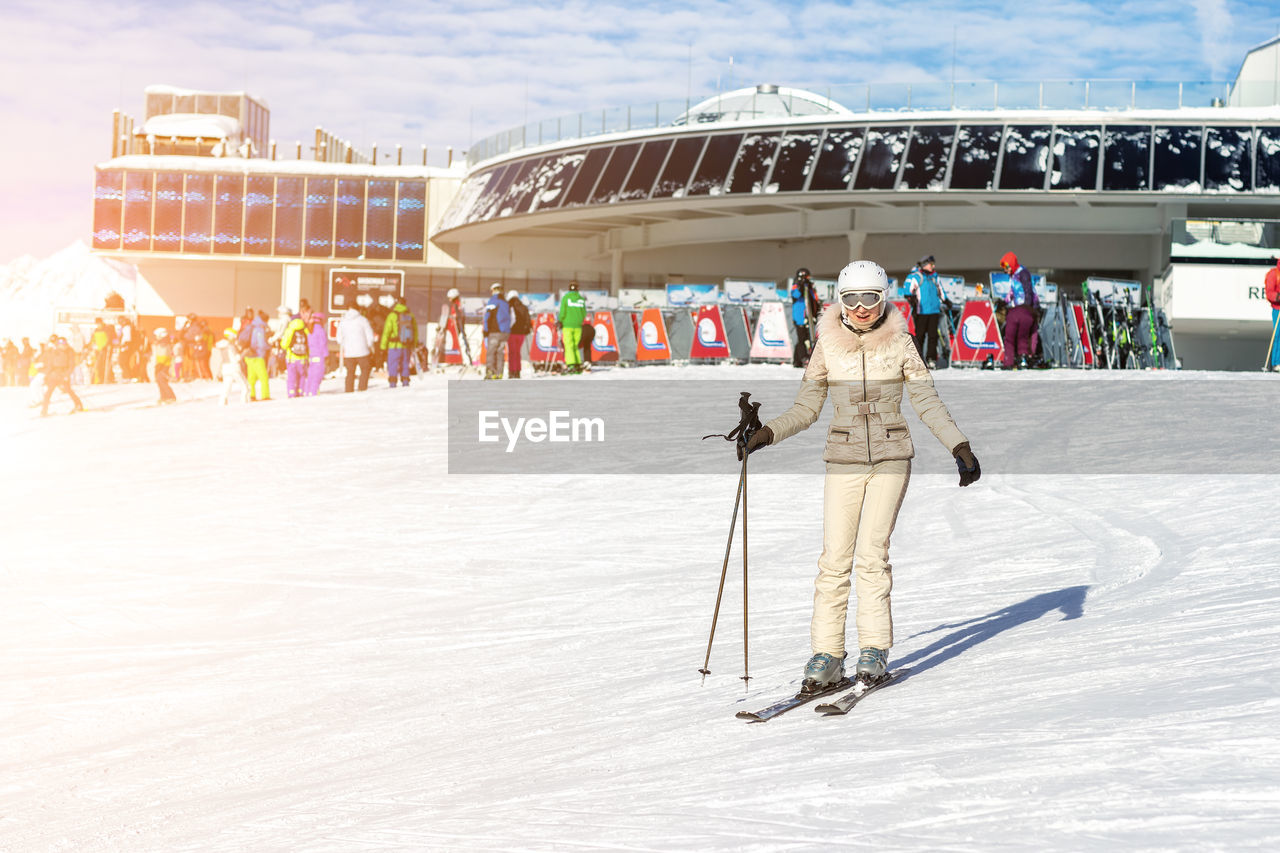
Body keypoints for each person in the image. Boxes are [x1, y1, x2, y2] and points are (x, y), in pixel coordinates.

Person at [744, 260, 981, 692]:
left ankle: (874, 649)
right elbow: (807, 407)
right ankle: (827, 655)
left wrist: (958, 445)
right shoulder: (826, 345)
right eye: (851, 299)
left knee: (872, 556)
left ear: (883, 297)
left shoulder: (902, 342)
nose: (861, 308)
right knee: (834, 559)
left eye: (869, 298)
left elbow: (927, 400)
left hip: (891, 456)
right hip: (843, 457)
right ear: (840, 300)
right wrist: (767, 433)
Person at [999, 251, 1038, 369]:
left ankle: (1020, 359)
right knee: (1015, 337)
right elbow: (1012, 293)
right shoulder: (1013, 276)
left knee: (1021, 337)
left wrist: (1027, 307)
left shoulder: (1023, 273)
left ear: (1012, 263)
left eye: (1006, 266)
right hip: (1018, 309)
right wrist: (1003, 302)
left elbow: (1028, 291)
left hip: (1025, 309)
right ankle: (1012, 361)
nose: (1005, 270)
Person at [906, 254, 944, 368]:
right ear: (925, 264)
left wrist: (946, 301)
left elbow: (941, 290)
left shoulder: (935, 277)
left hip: (934, 310)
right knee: (920, 336)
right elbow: (908, 289)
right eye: (931, 264)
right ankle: (918, 358)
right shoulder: (917, 276)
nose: (933, 266)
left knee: (933, 336)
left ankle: (931, 358)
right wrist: (911, 298)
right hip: (921, 311)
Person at [337, 306, 376, 391]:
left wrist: (345, 345)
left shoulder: (343, 321)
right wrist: (369, 345)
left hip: (349, 352)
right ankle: (362, 388)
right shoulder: (362, 320)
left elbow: (339, 338)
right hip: (362, 351)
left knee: (350, 372)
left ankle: (349, 390)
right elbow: (370, 335)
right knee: (365, 369)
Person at [381, 297, 417, 387]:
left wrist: (383, 346)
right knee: (405, 363)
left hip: (394, 345)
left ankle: (393, 383)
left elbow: (387, 331)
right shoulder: (410, 315)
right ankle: (405, 382)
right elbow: (415, 331)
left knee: (393, 364)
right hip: (406, 345)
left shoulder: (392, 315)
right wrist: (414, 344)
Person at [237, 309, 272, 401]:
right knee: (263, 377)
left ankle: (251, 395)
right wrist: (268, 347)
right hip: (257, 355)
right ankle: (265, 396)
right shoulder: (259, 328)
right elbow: (261, 344)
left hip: (249, 355)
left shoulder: (251, 325)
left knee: (251, 377)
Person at [790, 267, 821, 367]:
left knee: (808, 338)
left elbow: (814, 300)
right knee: (802, 338)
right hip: (800, 317)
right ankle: (803, 358)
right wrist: (801, 285)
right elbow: (796, 295)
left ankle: (797, 360)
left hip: (809, 316)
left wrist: (816, 312)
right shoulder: (796, 286)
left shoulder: (810, 287)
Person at [211, 328, 249, 405]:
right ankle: (244, 403)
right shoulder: (230, 346)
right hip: (234, 368)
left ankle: (222, 403)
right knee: (245, 387)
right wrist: (244, 353)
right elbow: (236, 358)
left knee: (226, 388)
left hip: (225, 368)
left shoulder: (221, 346)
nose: (235, 338)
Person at [483, 282, 512, 380]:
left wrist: (485, 330)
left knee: (491, 352)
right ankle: (499, 373)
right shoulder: (506, 302)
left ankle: (491, 372)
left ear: (493, 290)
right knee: (500, 352)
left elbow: (488, 316)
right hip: (505, 332)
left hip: (495, 331)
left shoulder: (493, 301)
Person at [558, 281, 587, 374]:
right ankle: (578, 363)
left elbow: (562, 311)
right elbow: (584, 313)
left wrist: (560, 320)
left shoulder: (566, 298)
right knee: (575, 345)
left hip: (567, 325)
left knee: (568, 345)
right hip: (578, 326)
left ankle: (571, 364)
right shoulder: (581, 299)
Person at [434, 288, 465, 371]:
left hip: (455, 327)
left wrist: (453, 319)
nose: (449, 300)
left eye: (450, 298)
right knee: (450, 342)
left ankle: (452, 358)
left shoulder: (457, 305)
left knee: (453, 342)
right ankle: (449, 358)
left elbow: (458, 316)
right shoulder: (455, 304)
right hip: (452, 327)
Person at [281, 311, 310, 398]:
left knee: (292, 377)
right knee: (302, 376)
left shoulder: (290, 330)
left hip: (291, 358)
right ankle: (301, 391)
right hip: (303, 359)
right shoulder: (305, 330)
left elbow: (284, 344)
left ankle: (291, 392)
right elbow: (308, 344)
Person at [506, 289, 532, 379]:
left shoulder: (509, 306)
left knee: (511, 353)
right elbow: (528, 320)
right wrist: (527, 330)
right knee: (517, 352)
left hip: (511, 333)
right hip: (521, 334)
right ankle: (517, 372)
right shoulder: (524, 307)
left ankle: (512, 371)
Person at [150, 327, 178, 404]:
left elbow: (164, 355)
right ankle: (164, 396)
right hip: (162, 364)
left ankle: (170, 396)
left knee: (161, 380)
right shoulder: (162, 342)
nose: (156, 337)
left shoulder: (164, 343)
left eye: (157, 336)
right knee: (160, 380)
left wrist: (160, 365)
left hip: (163, 365)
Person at [304, 312, 328, 396]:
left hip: (311, 355)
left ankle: (307, 391)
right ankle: (314, 391)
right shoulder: (320, 330)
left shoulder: (310, 330)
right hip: (319, 355)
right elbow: (323, 344)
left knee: (310, 375)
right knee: (317, 375)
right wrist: (326, 355)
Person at [1266, 259, 1280, 371]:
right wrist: (1278, 297)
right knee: (1278, 334)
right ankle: (1276, 362)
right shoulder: (1273, 274)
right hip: (1278, 309)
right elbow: (1269, 292)